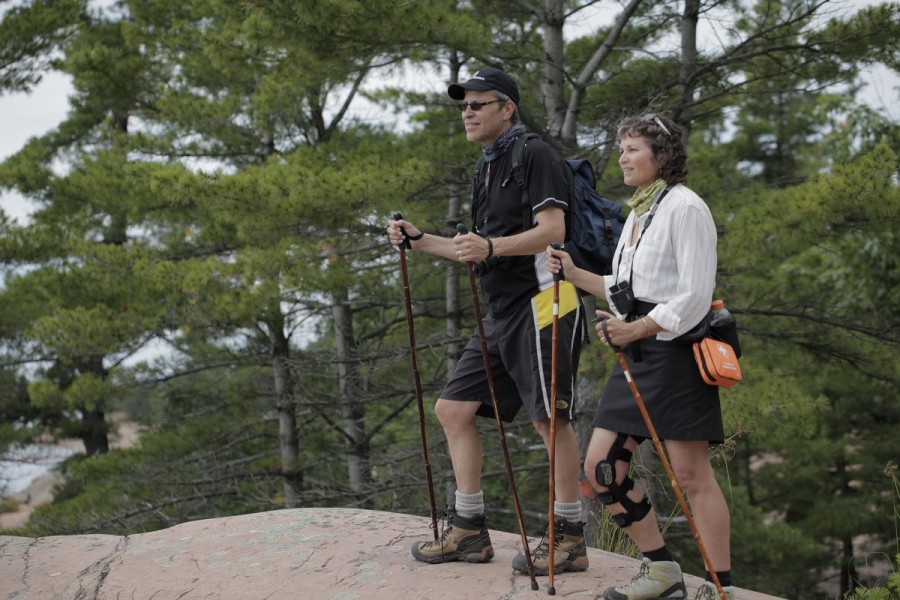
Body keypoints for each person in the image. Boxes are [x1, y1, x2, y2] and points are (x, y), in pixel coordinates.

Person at [387, 66, 588, 576]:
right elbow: (474, 251)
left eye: (479, 103)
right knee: (453, 409)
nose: (467, 112)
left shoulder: (534, 154)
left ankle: (569, 537)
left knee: (550, 420)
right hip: (502, 311)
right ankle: (470, 530)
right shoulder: (489, 164)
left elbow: (553, 229)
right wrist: (420, 239)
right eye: (463, 105)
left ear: (507, 108)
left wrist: (493, 246)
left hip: (547, 301)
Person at [546, 113, 734, 600]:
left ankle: (721, 587)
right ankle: (664, 573)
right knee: (602, 469)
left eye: (632, 148)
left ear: (662, 155)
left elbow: (693, 294)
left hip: (677, 351)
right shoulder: (638, 213)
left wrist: (638, 328)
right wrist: (572, 272)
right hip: (637, 349)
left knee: (691, 475)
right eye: (622, 148)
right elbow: (623, 289)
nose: (623, 157)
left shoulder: (686, 207)